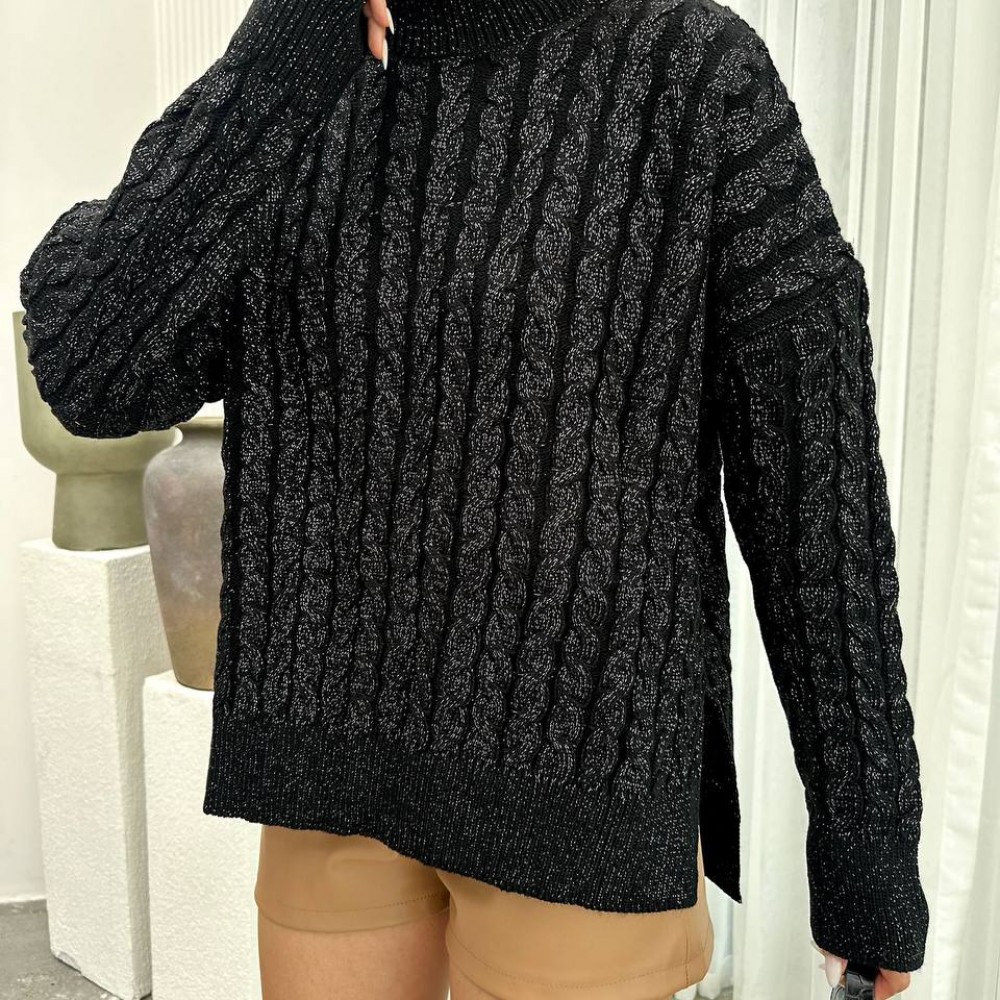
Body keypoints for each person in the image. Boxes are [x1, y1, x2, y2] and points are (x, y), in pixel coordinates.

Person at [18, 0, 930, 997]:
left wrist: (868, 848)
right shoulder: (305, 64)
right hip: (332, 776)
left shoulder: (688, 68)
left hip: (578, 797)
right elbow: (91, 370)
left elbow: (816, 487)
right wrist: (278, 57)